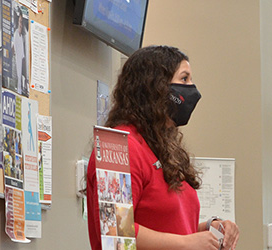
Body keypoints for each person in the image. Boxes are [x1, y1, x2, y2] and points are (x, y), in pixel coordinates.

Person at [85, 45, 240, 250]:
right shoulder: (116, 147)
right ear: (155, 86)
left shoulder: (162, 148)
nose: (193, 89)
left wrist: (210, 228)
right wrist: (187, 243)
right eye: (184, 79)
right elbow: (115, 232)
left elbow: (169, 227)